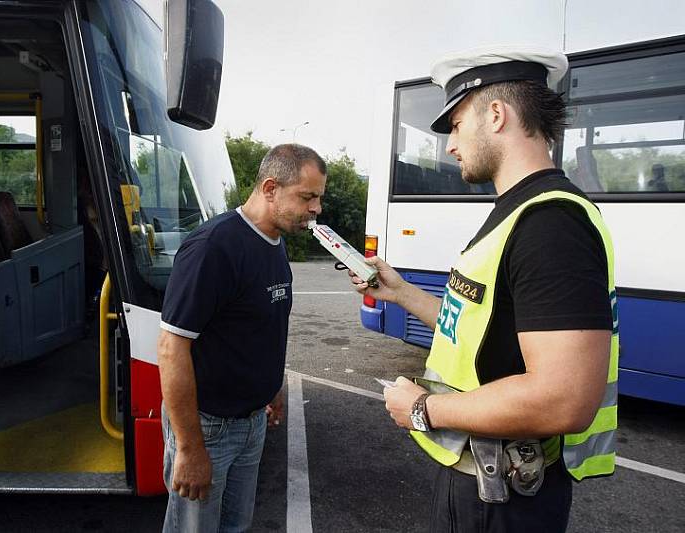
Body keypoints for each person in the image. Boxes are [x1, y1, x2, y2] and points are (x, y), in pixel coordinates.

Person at [350, 46, 618, 532]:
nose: (450, 145)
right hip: (487, 481)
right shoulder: (519, 210)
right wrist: (402, 293)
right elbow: (478, 327)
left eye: (455, 124)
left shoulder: (550, 223)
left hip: (504, 496)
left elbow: (565, 398)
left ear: (496, 114)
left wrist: (423, 409)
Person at [158, 144, 327, 532]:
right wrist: (189, 447)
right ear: (270, 188)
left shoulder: (274, 242)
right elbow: (172, 348)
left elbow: (263, 326)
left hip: (252, 423)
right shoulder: (213, 248)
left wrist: (273, 387)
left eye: (318, 197)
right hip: (209, 428)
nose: (316, 208)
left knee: (235, 526)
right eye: (308, 196)